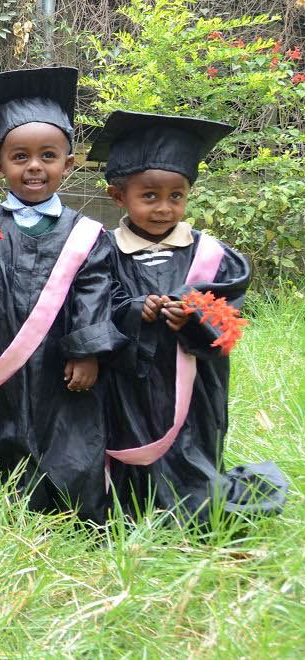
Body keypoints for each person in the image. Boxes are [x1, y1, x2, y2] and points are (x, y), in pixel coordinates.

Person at [0, 67, 126, 522]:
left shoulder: (87, 235)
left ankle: (66, 505)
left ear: (69, 162)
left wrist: (88, 353)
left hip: (60, 367)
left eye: (48, 155)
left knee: (64, 431)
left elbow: (93, 293)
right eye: (19, 156)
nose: (34, 166)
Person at [90, 110, 286, 522]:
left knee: (194, 444)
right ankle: (134, 503)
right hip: (131, 385)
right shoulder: (101, 251)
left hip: (196, 388)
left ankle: (195, 495)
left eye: (176, 196)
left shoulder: (213, 256)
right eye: (150, 196)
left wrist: (195, 316)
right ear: (117, 196)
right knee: (131, 443)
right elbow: (94, 306)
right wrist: (134, 311)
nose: (164, 208)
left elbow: (228, 318)